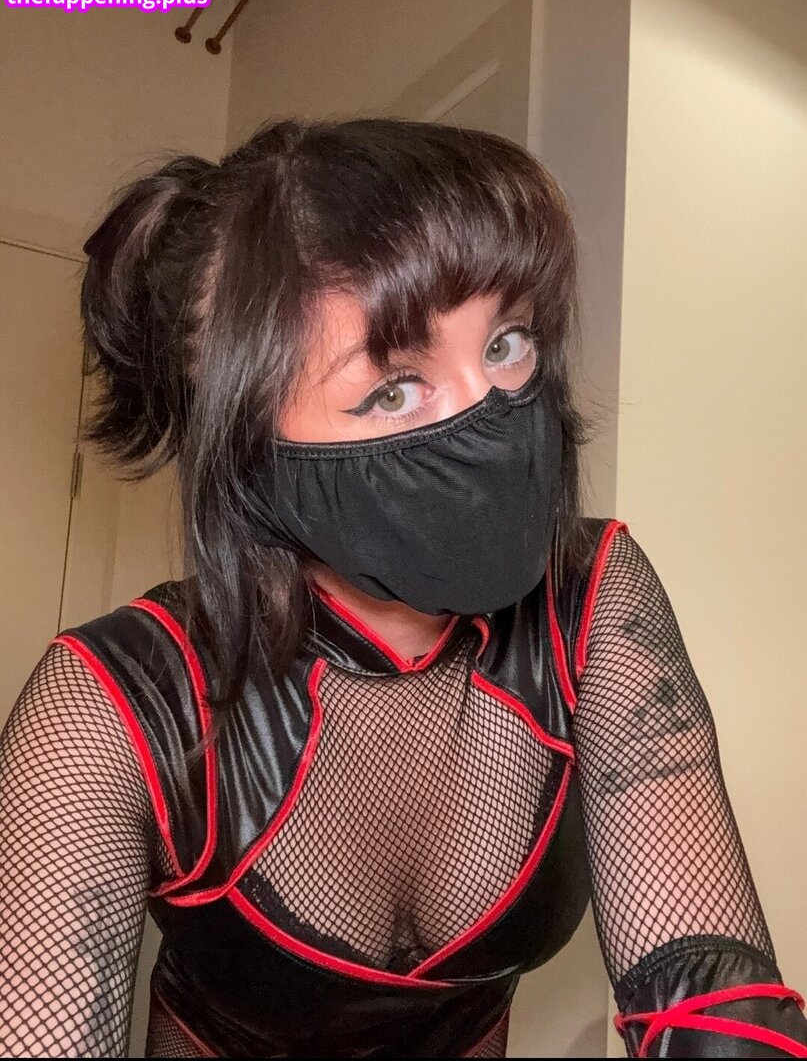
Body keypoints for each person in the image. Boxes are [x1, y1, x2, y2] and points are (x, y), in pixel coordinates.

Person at [0, 117, 804, 1060]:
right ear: (248, 448)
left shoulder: (593, 595)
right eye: (392, 389)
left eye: (506, 342)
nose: (494, 413)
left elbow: (711, 994)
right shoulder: (110, 702)